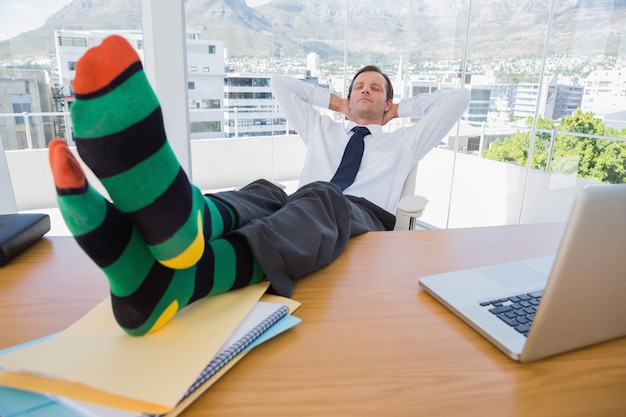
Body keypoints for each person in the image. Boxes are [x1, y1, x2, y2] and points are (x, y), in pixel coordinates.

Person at [49, 35, 469, 336]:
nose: (365, 90)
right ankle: (189, 224)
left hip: (362, 216)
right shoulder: (324, 129)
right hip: (302, 206)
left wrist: (400, 112)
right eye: (359, 85)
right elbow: (280, 85)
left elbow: (457, 100)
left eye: (375, 88)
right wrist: (336, 103)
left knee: (321, 194)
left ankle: (183, 279)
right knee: (268, 190)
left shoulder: (405, 141)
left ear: (387, 102)